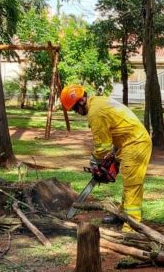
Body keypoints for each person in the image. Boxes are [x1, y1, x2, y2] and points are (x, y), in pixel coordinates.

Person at [60, 84, 152, 228]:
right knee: (129, 184)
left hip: (135, 144)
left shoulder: (95, 113)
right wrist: (113, 155)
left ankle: (132, 226)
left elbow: (102, 147)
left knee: (132, 185)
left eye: (74, 108)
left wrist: (95, 161)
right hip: (127, 142)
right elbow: (116, 127)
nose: (76, 112)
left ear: (81, 101)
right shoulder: (98, 101)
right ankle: (123, 216)